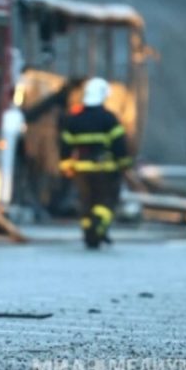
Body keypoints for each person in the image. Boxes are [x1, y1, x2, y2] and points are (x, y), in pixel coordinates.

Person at [60, 77, 132, 249]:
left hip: (81, 169)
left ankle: (88, 232)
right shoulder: (108, 118)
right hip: (104, 169)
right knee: (106, 202)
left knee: (86, 202)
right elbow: (119, 144)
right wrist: (124, 163)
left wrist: (65, 165)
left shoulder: (74, 119)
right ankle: (98, 228)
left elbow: (65, 144)